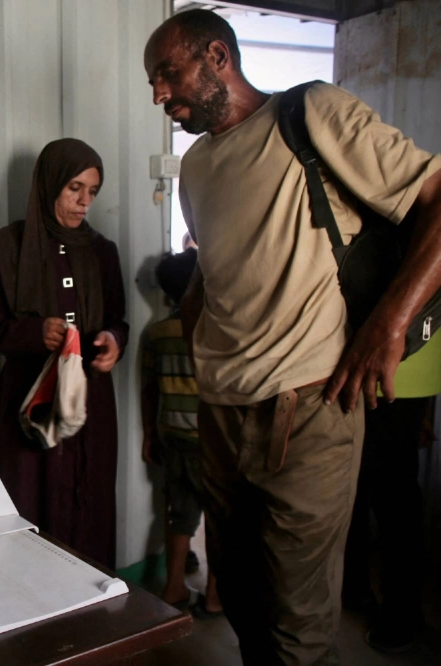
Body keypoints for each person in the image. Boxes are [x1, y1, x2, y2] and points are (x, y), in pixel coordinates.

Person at [144, 9, 441, 664]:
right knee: (246, 600)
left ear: (217, 56)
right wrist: (195, 322)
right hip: (219, 416)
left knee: (297, 622)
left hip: (308, 409)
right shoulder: (195, 168)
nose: (160, 93)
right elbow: (212, 268)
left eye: (168, 73)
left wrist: (389, 322)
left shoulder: (311, 115)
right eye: (154, 82)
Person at [0, 138, 128, 569]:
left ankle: (90, 609)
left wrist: (113, 343)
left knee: (88, 502)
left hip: (88, 402)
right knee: (29, 504)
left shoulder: (103, 252)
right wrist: (32, 333)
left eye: (92, 192)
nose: (84, 202)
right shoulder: (5, 248)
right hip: (28, 403)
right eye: (74, 188)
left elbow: (119, 321)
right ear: (48, 186)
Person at [343, 335, 440, 653]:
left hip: (390, 360)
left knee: (392, 494)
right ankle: (358, 590)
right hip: (396, 362)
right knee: (364, 486)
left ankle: (402, 616)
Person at [141, 249, 221, 618]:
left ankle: (173, 587)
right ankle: (216, 597)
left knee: (179, 515)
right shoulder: (213, 332)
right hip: (213, 443)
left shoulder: (156, 334)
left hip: (172, 439)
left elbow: (149, 390)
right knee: (220, 521)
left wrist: (148, 435)